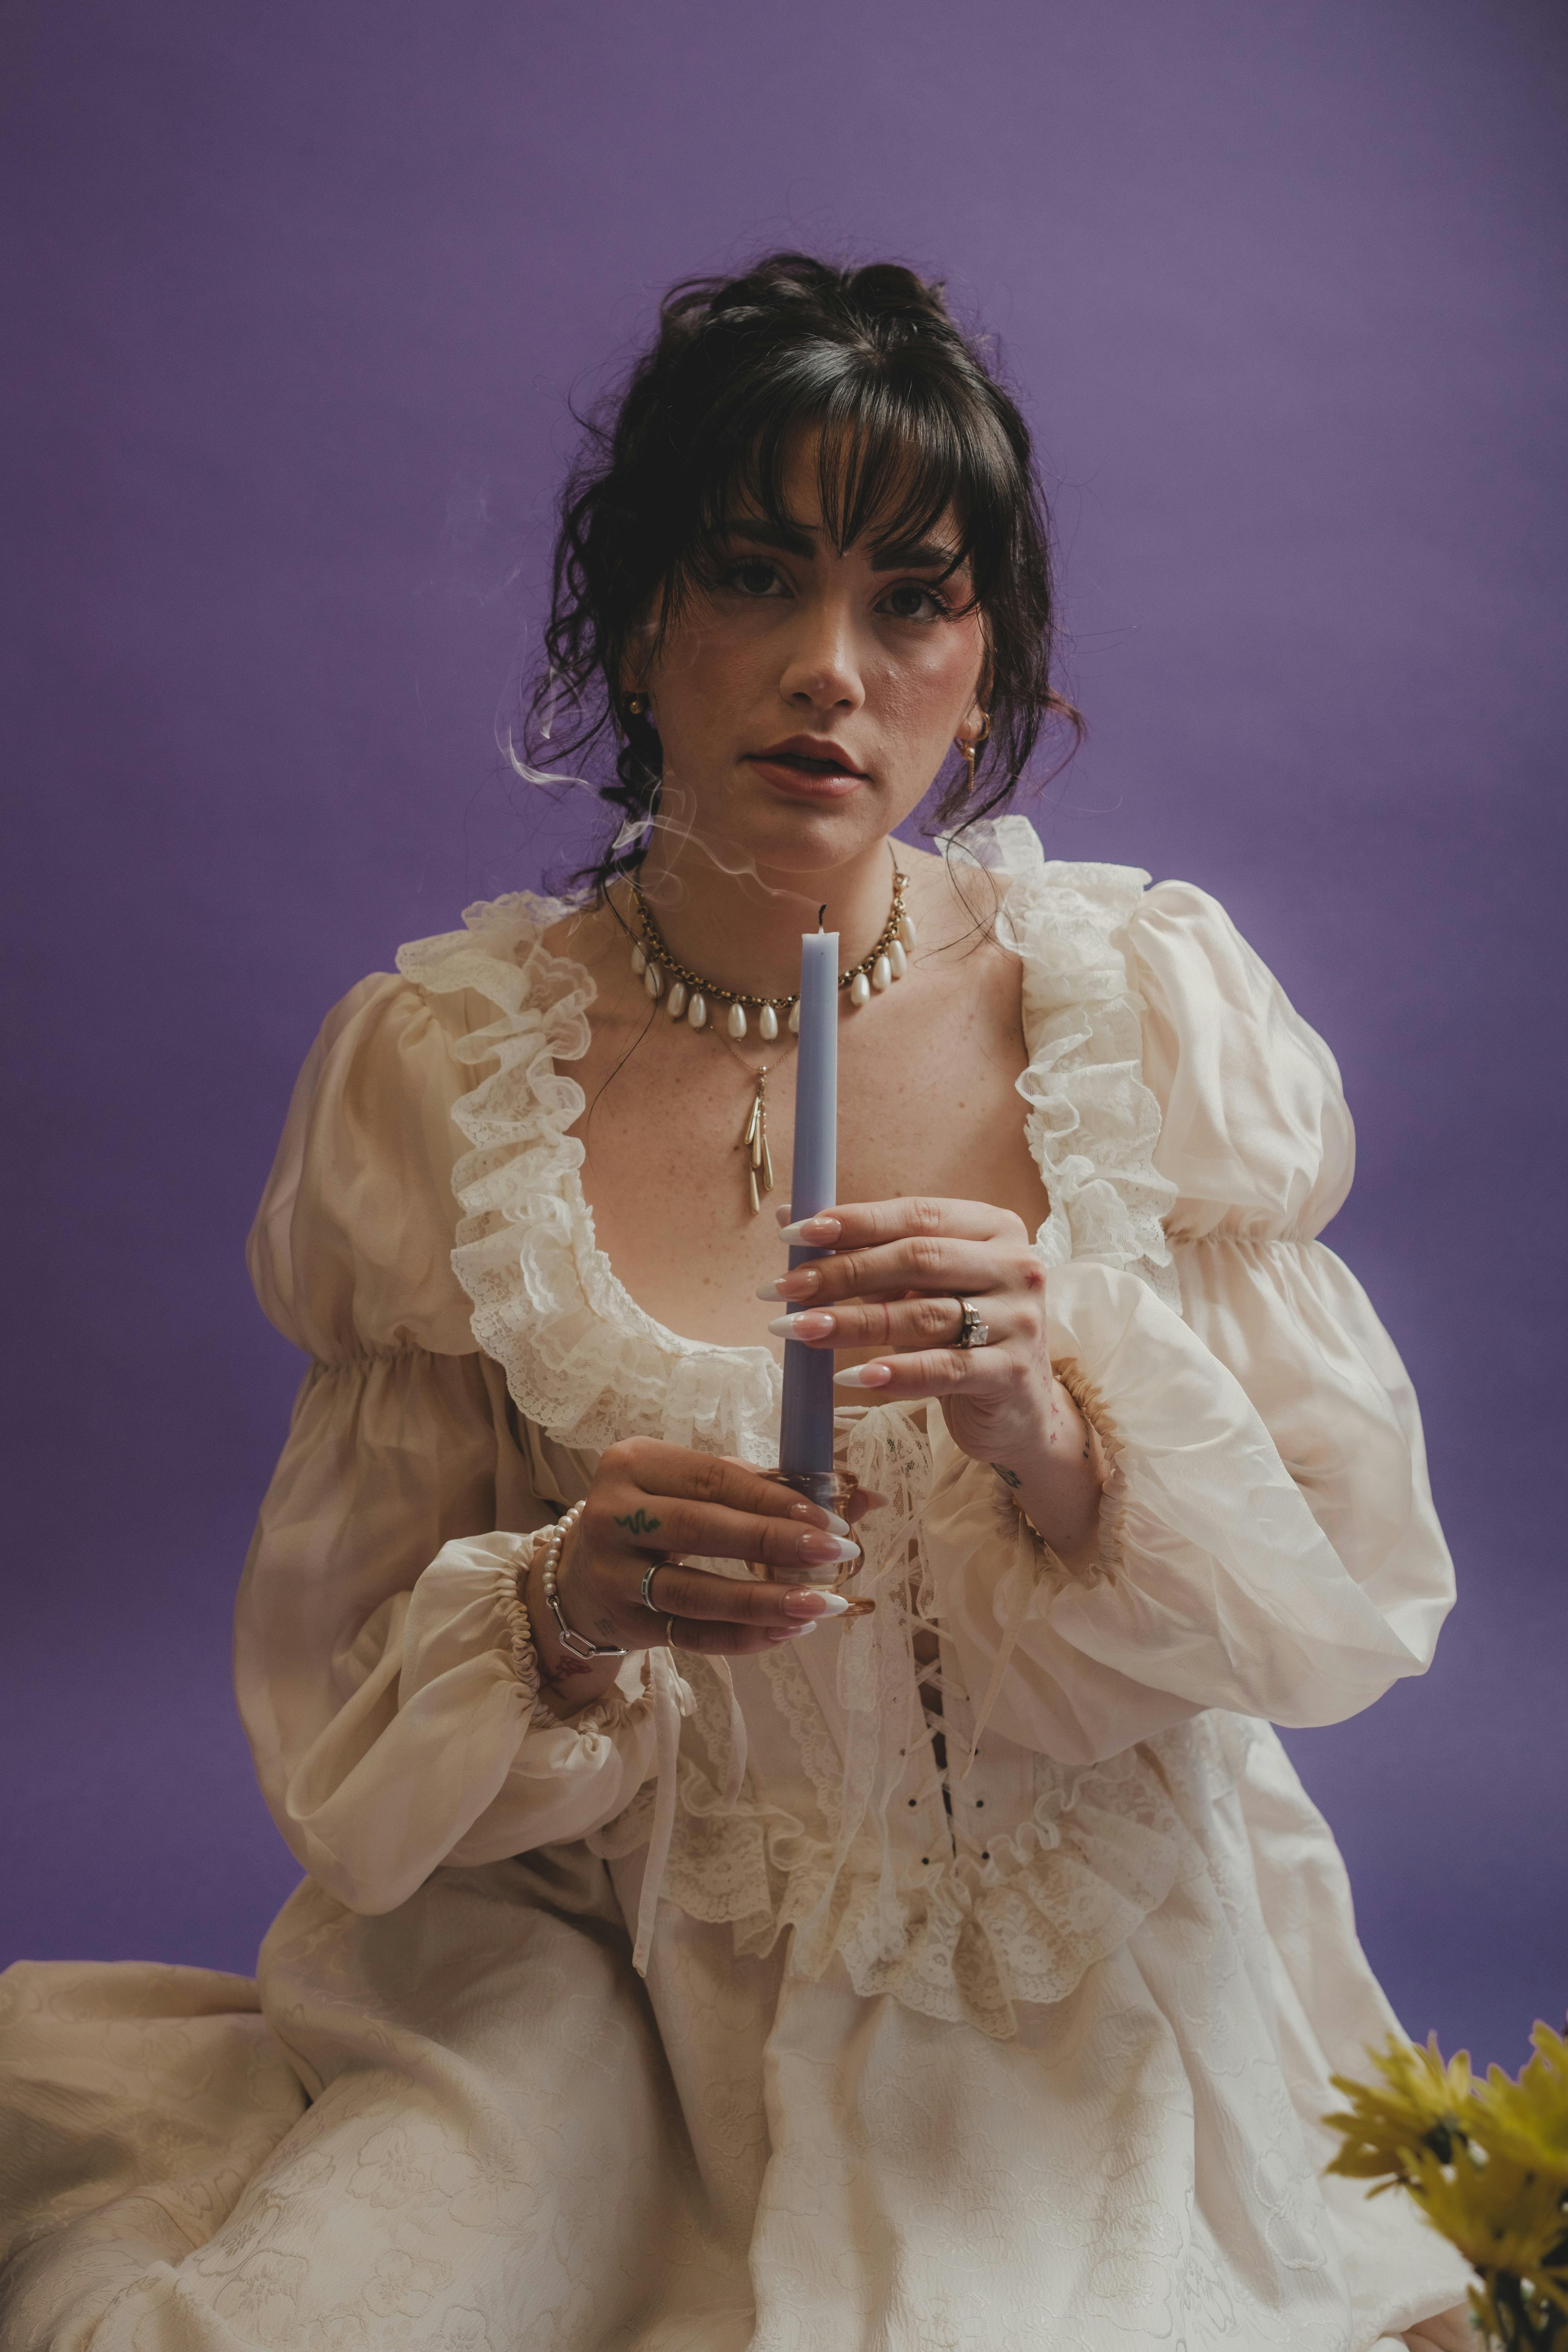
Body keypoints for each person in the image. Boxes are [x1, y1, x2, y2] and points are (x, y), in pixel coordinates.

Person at [0, 254, 1474, 2351]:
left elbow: (1334, 1609)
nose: (829, 673)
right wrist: (562, 1608)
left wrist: (1059, 1427)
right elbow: (341, 1729)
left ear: (996, 672)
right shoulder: (442, 1075)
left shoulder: (1138, 1020)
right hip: (619, 1990)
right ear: (638, 623)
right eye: (757, 578)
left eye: (912, 603)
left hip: (1088, 1983)